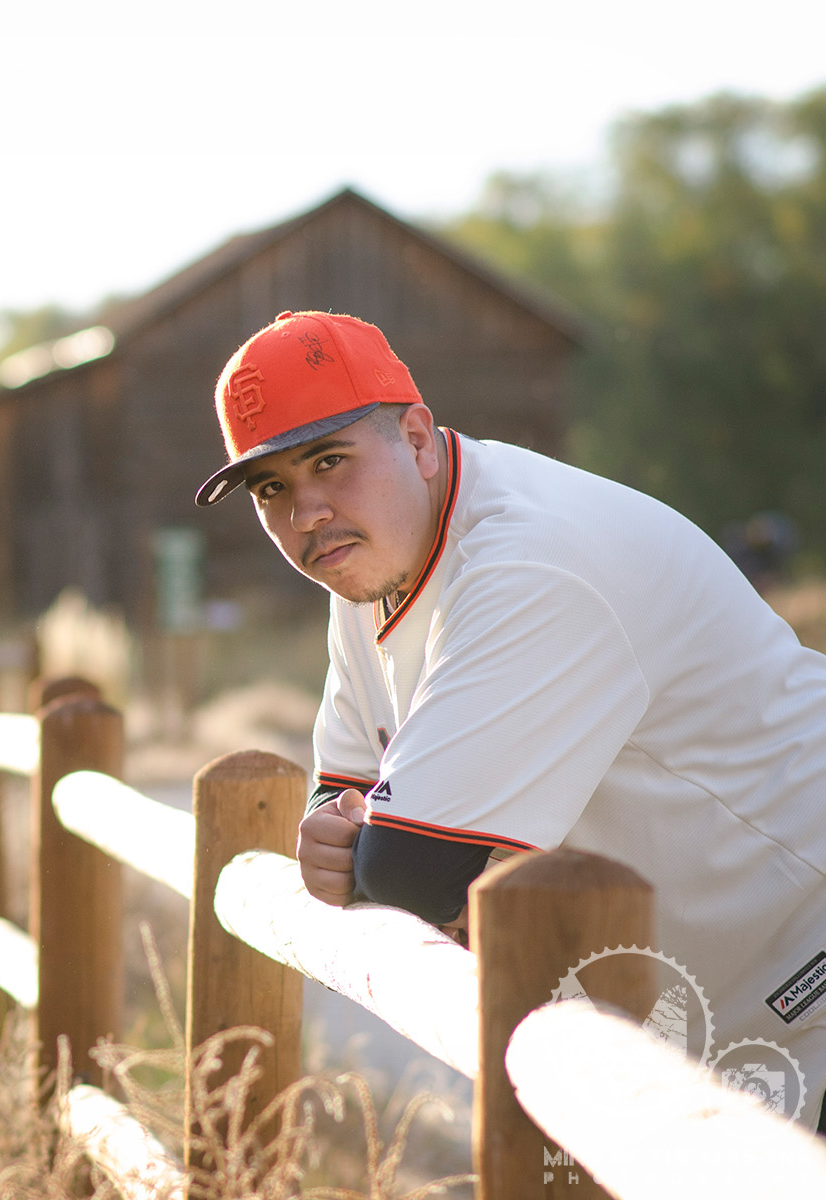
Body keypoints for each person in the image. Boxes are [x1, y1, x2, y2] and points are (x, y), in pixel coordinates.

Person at [193, 310, 826, 1131]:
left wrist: (385, 847)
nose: (306, 511)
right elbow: (341, 801)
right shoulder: (373, 562)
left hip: (803, 943)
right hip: (718, 1000)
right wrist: (354, 836)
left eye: (330, 460)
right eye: (272, 487)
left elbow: (409, 871)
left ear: (417, 438)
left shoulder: (530, 559)